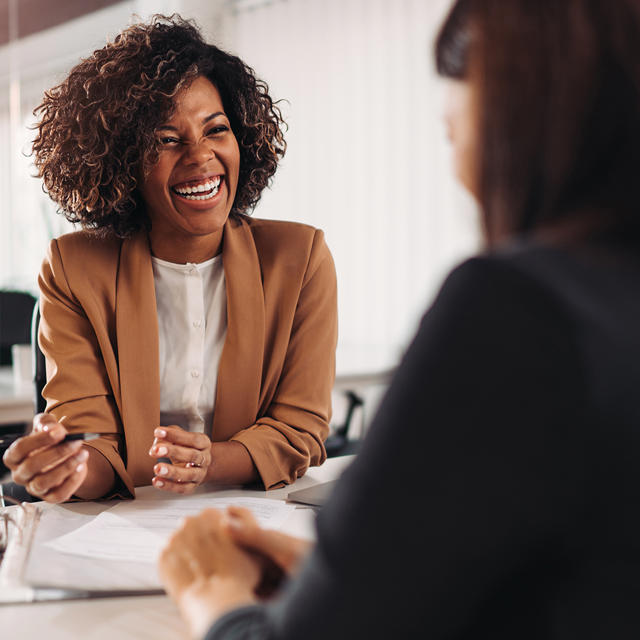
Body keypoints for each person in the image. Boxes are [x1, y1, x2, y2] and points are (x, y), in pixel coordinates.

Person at [157, 0, 640, 638]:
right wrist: (355, 575)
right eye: (166, 140)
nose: (444, 115)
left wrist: (211, 593)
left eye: (461, 77)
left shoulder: (515, 314)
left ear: (525, 107)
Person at [2, 16, 337, 502]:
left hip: (251, 514)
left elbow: (299, 430)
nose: (200, 157)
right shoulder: (74, 268)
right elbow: (93, 443)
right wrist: (66, 468)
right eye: (165, 139)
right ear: (121, 161)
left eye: (216, 129)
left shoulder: (300, 258)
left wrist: (209, 463)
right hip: (121, 525)